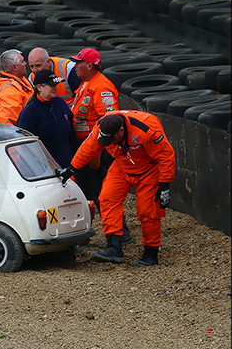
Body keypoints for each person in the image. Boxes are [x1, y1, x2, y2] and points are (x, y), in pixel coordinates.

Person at [60, 111, 175, 266]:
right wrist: (72, 169)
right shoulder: (103, 126)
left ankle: (150, 254)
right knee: (107, 198)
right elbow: (88, 148)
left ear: (121, 131)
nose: (108, 142)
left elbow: (166, 155)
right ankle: (114, 248)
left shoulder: (147, 130)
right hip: (122, 166)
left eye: (111, 139)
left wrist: (164, 185)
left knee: (148, 212)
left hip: (150, 171)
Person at [69, 48, 132, 244]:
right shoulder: (86, 82)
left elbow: (108, 121)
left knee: (101, 191)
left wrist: (97, 150)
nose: (75, 65)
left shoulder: (103, 86)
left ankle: (120, 233)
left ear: (89, 65)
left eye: (79, 62)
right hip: (88, 146)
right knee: (88, 190)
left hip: (98, 148)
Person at [16, 70, 77, 168]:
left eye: (56, 85)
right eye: (51, 85)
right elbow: (26, 147)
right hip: (43, 170)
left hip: (67, 166)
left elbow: (71, 136)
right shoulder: (29, 113)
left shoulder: (61, 104)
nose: (55, 88)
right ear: (39, 88)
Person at [0, 49, 32, 125]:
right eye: (22, 61)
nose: (25, 64)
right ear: (14, 67)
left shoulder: (19, 81)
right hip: (20, 135)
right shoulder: (8, 90)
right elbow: (8, 123)